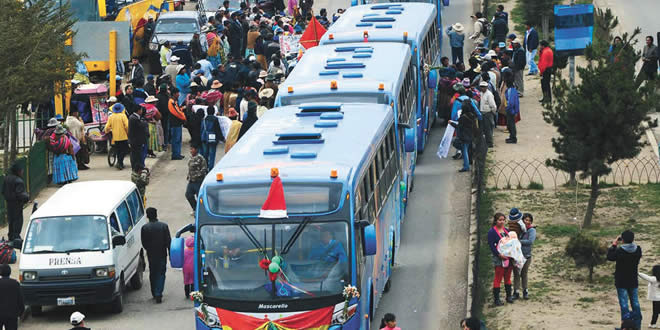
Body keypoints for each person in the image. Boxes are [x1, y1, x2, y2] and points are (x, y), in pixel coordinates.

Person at [608, 230, 643, 329]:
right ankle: (637, 326)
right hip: (633, 280)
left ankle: (625, 327)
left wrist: (614, 245)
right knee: (635, 303)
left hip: (621, 281)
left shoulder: (620, 251)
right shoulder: (638, 250)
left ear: (622, 240)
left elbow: (610, 257)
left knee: (624, 305)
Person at [141, 207, 171, 303]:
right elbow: (168, 242)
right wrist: (170, 254)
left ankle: (154, 292)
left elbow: (144, 242)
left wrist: (149, 249)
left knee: (153, 273)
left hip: (151, 254)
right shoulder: (164, 226)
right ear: (156, 215)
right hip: (162, 253)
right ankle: (159, 292)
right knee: (161, 273)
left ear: (147, 216)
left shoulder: (145, 228)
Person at [488, 212, 513, 306]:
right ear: (496, 221)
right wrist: (499, 255)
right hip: (499, 258)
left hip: (508, 257)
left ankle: (509, 296)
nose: (502, 222)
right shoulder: (492, 232)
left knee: (507, 277)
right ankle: (497, 299)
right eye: (500, 220)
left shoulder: (506, 230)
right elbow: (492, 246)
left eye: (503, 220)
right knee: (498, 278)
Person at [2, 164, 29, 241]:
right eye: (21, 170)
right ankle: (16, 237)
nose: (22, 172)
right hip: (17, 204)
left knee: (11, 220)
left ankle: (11, 235)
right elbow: (20, 194)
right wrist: (27, 198)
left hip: (9, 203)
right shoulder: (18, 181)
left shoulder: (6, 179)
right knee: (18, 220)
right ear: (18, 171)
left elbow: (3, 191)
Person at [513, 213, 535, 300]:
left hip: (526, 255)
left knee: (524, 274)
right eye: (526, 220)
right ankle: (516, 292)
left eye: (529, 220)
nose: (527, 222)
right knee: (516, 274)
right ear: (522, 221)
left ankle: (525, 291)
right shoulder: (519, 229)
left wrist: (518, 241)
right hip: (517, 255)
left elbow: (530, 241)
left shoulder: (532, 230)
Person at [105, 103, 130, 169]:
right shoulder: (123, 116)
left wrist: (107, 131)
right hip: (123, 137)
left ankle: (119, 162)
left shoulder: (111, 116)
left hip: (115, 137)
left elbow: (107, 127)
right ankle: (120, 163)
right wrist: (128, 133)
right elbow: (127, 126)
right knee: (123, 150)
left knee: (118, 150)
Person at [0, 264, 24, 330]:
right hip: (12, 314)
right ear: (10, 272)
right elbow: (20, 299)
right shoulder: (15, 284)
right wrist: (21, 312)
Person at [186, 145, 208, 214]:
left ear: (196, 150)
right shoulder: (191, 158)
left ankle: (203, 211)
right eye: (190, 149)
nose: (191, 151)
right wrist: (188, 175)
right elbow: (190, 168)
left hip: (198, 181)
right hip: (191, 181)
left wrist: (197, 176)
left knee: (200, 197)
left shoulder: (200, 158)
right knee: (188, 195)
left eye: (192, 149)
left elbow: (204, 169)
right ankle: (195, 208)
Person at [168, 88, 187, 160]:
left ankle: (177, 153)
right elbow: (176, 113)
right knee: (176, 139)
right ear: (174, 94)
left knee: (178, 139)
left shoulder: (174, 102)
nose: (178, 94)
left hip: (177, 123)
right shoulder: (171, 102)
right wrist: (184, 117)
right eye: (177, 93)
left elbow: (178, 110)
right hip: (174, 123)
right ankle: (175, 154)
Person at [128, 106, 148, 171]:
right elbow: (141, 125)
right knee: (135, 155)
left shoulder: (135, 117)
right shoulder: (134, 118)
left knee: (137, 154)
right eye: (141, 110)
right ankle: (136, 168)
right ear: (138, 110)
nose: (141, 111)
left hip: (136, 140)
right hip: (135, 140)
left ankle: (137, 167)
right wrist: (145, 122)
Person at [479, 81, 496, 148]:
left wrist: (492, 113)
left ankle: (490, 143)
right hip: (482, 113)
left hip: (488, 113)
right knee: (483, 129)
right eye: (481, 87)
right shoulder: (480, 94)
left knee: (488, 129)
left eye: (484, 87)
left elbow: (493, 105)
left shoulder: (489, 94)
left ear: (486, 87)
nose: (482, 88)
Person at [504, 79, 520, 144]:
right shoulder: (513, 90)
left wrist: (509, 109)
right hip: (512, 110)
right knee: (510, 124)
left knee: (511, 124)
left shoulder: (510, 91)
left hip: (511, 110)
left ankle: (513, 138)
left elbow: (511, 102)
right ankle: (511, 136)